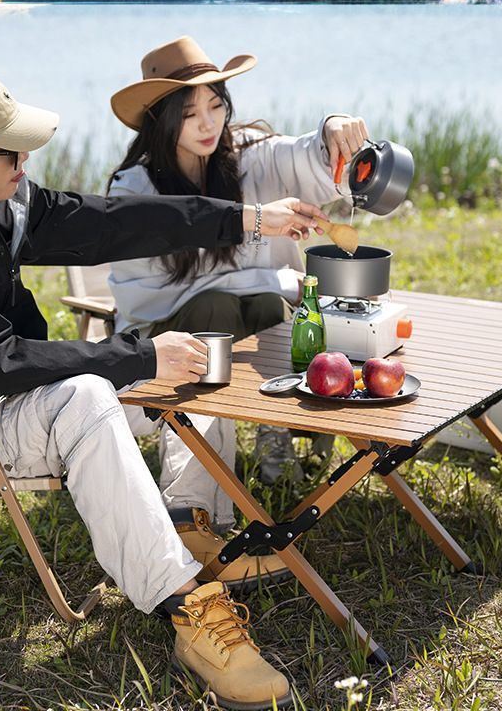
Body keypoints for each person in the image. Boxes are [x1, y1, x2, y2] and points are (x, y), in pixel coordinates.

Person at [0, 65, 328, 710]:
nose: (26, 159)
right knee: (93, 392)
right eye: (9, 150)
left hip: (8, 408)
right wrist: (136, 354)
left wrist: (245, 219)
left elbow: (112, 221)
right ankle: (188, 610)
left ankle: (188, 523)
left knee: (195, 364)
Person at [107, 36, 369, 559]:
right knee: (220, 311)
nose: (209, 124)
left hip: (256, 324)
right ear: (161, 122)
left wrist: (333, 127)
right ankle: (198, 508)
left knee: (275, 305)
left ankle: (278, 434)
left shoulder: (249, 157)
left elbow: (307, 156)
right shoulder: (134, 189)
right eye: (190, 113)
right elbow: (153, 300)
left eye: (216, 105)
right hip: (167, 345)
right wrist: (272, 278)